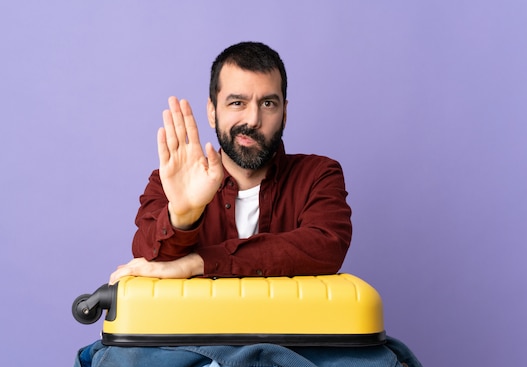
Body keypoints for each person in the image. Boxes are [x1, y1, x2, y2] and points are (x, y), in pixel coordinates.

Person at [110, 41, 352, 283]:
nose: (253, 119)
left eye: (268, 103)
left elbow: (326, 247)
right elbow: (147, 261)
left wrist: (199, 262)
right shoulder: (169, 182)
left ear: (284, 114)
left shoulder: (319, 175)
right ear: (212, 111)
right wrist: (183, 216)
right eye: (237, 103)